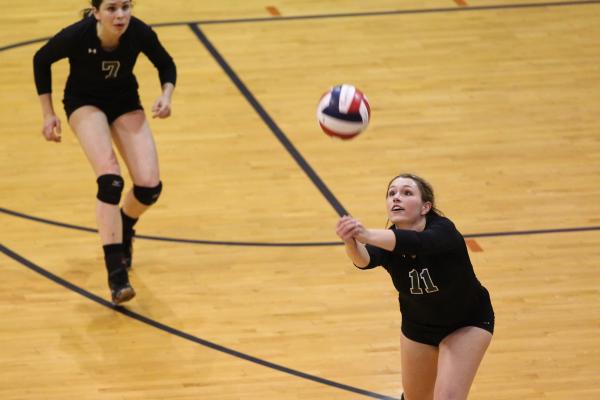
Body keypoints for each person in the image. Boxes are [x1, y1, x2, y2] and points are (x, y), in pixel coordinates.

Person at [33, 0, 176, 305]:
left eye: (126, 6)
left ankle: (125, 225)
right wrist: (48, 114)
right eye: (112, 8)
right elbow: (41, 59)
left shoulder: (139, 33)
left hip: (124, 101)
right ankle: (116, 274)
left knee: (149, 187)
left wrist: (166, 96)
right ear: (96, 12)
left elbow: (166, 64)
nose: (120, 15)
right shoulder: (78, 35)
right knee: (110, 180)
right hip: (84, 103)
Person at [335, 173, 494, 400]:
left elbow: (419, 243)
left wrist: (367, 234)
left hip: (467, 323)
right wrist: (350, 241)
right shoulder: (388, 240)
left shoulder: (444, 231)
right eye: (392, 193)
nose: (396, 198)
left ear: (425, 207)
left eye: (406, 193)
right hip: (418, 327)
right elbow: (364, 260)